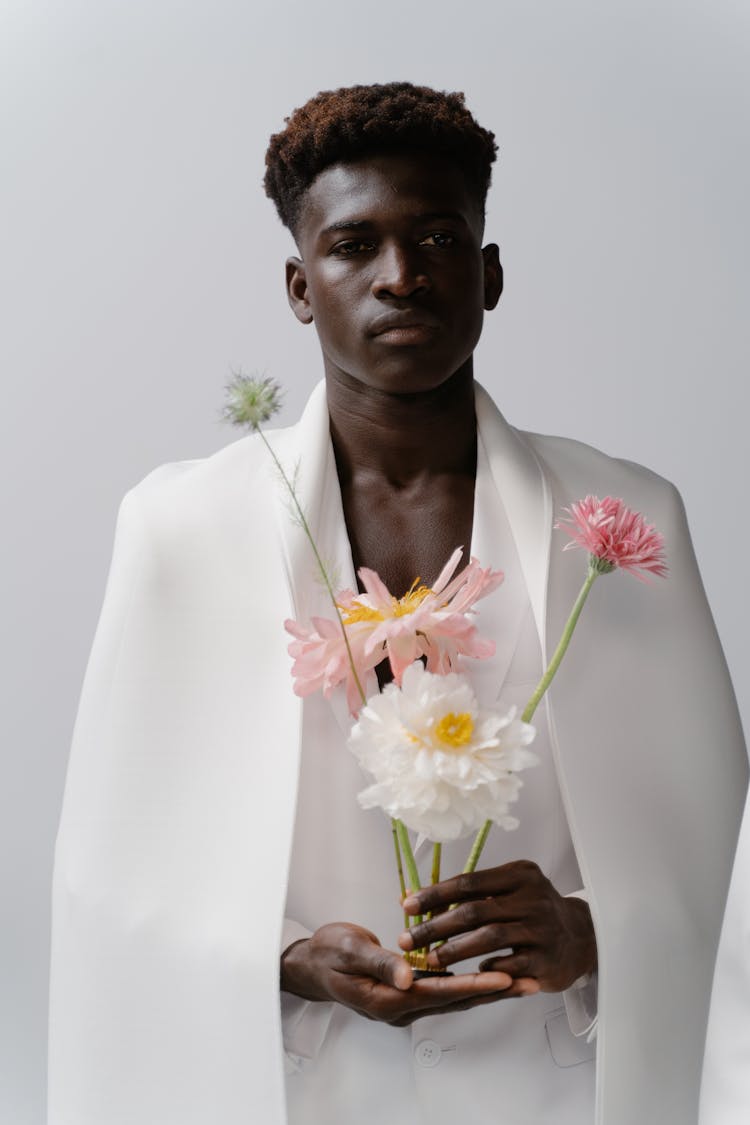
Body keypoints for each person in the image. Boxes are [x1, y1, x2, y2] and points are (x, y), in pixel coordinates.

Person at [48, 82, 747, 1125]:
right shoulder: (179, 529)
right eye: (353, 245)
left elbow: (723, 854)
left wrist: (594, 929)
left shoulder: (628, 518)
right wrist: (284, 960)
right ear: (298, 285)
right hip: (301, 1089)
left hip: (552, 1089)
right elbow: (111, 879)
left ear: (490, 273)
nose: (401, 278)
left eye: (438, 239)